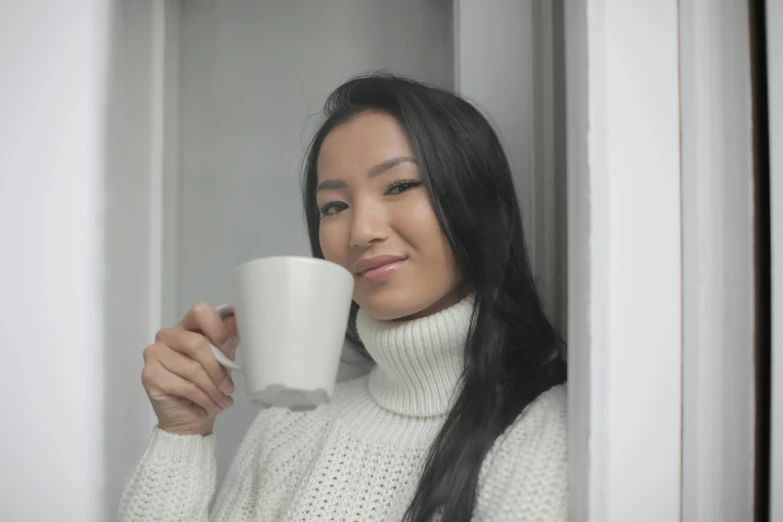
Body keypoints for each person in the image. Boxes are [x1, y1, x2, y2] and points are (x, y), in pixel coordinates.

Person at [118, 74, 567, 522]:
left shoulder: (547, 427)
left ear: (479, 200)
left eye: (399, 185)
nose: (361, 231)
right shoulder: (288, 426)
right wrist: (181, 433)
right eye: (334, 207)